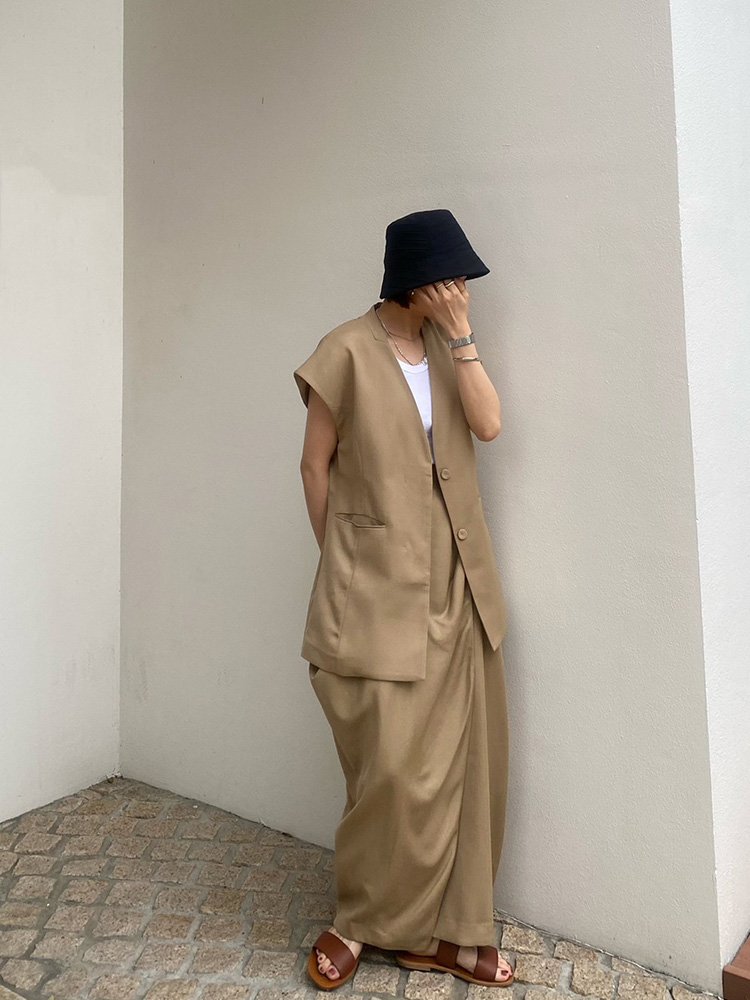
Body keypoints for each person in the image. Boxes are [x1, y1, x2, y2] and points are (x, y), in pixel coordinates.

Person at [293, 209, 513, 990]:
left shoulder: (450, 352)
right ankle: (359, 920)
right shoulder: (346, 350)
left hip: (458, 584)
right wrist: (343, 560)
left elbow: (489, 426)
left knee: (461, 770)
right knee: (387, 770)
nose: (460, 292)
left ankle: (449, 931)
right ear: (416, 280)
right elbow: (314, 466)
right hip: (376, 594)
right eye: (452, 280)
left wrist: (464, 337)